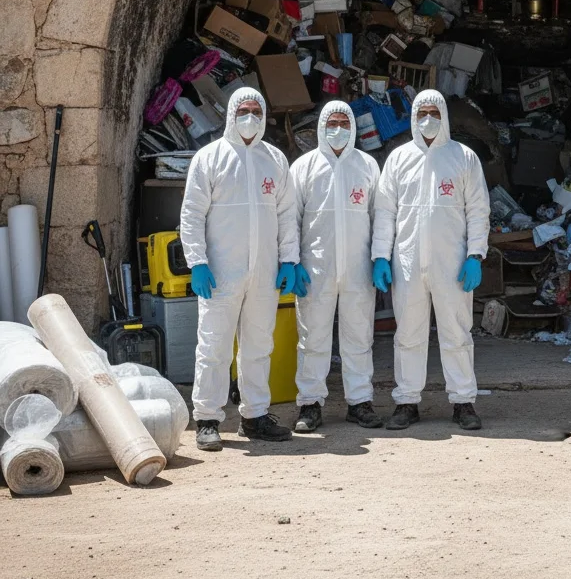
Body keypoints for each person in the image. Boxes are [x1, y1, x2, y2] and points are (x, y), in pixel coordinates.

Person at [179, 87, 306, 451]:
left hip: (264, 273)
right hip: (220, 273)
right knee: (214, 346)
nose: (250, 118)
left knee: (258, 346)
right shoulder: (210, 158)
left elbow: (286, 215)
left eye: (256, 111)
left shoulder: (275, 160)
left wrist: (289, 259)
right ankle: (207, 418)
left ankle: (255, 416)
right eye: (243, 111)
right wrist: (197, 263)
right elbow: (191, 214)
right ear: (231, 114)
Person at [371, 89, 490, 430]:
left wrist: (475, 254)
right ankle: (406, 402)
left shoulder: (463, 157)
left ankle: (463, 401)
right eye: (421, 113)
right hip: (407, 262)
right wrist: (380, 256)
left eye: (434, 113)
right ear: (413, 117)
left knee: (457, 333)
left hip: (452, 262)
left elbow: (478, 210)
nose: (427, 120)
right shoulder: (398, 159)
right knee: (408, 334)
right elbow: (385, 212)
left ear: (444, 116)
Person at [290, 100, 383, 433]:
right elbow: (289, 218)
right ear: (321, 127)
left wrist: (380, 256)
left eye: (345, 122)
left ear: (354, 127)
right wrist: (291, 260)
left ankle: (360, 402)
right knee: (312, 338)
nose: (339, 129)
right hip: (315, 268)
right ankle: (310, 404)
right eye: (332, 123)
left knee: (359, 336)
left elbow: (380, 215)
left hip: (358, 268)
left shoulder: (367, 166)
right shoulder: (304, 167)